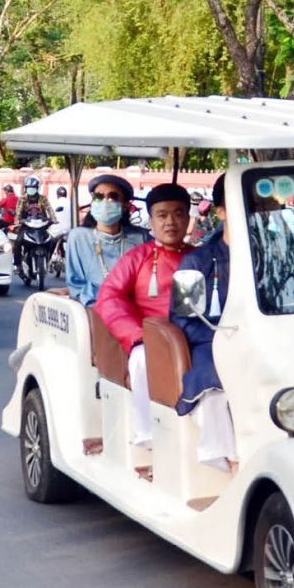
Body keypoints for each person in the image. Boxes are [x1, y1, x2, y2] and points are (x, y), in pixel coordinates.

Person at [95, 183, 193, 449]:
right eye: (162, 215)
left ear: (188, 219)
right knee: (141, 359)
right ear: (151, 220)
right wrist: (137, 336)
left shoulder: (200, 257)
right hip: (150, 339)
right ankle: (147, 436)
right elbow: (109, 298)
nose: (170, 222)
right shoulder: (138, 257)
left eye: (178, 214)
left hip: (194, 337)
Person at [170, 174, 238, 471]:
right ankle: (231, 461)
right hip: (211, 344)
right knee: (214, 388)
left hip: (265, 342)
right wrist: (225, 340)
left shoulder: (274, 257)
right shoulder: (196, 262)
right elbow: (183, 320)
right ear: (220, 211)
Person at [65, 174, 147, 305]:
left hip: (132, 308)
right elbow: (76, 286)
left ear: (125, 205)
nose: (105, 202)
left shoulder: (140, 238)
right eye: (98, 197)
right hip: (92, 308)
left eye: (113, 197)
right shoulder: (78, 238)